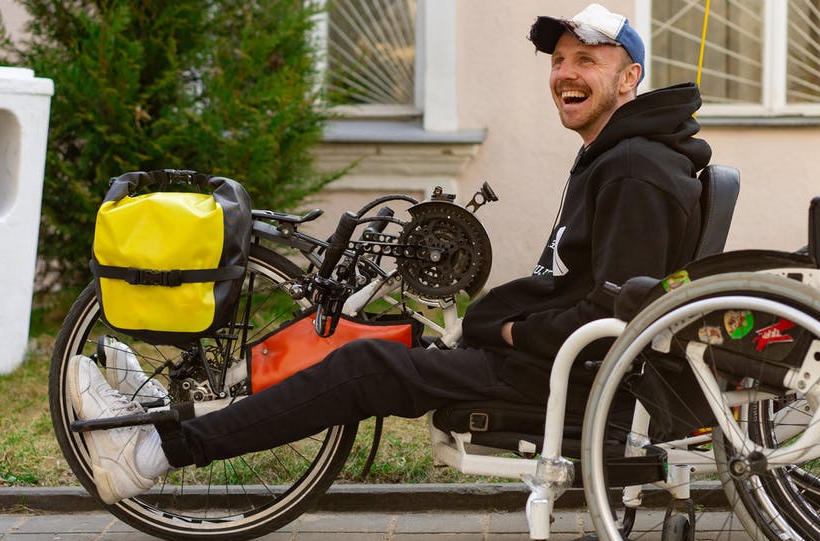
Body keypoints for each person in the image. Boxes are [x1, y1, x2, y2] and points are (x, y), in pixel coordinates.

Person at [67, 3, 713, 504]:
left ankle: (153, 454)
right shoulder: (620, 154)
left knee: (367, 365)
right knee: (371, 339)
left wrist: (512, 327)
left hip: (564, 373)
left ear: (629, 78)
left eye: (587, 61)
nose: (566, 73)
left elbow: (620, 310)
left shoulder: (633, 168)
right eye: (559, 60)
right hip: (546, 357)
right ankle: (160, 408)